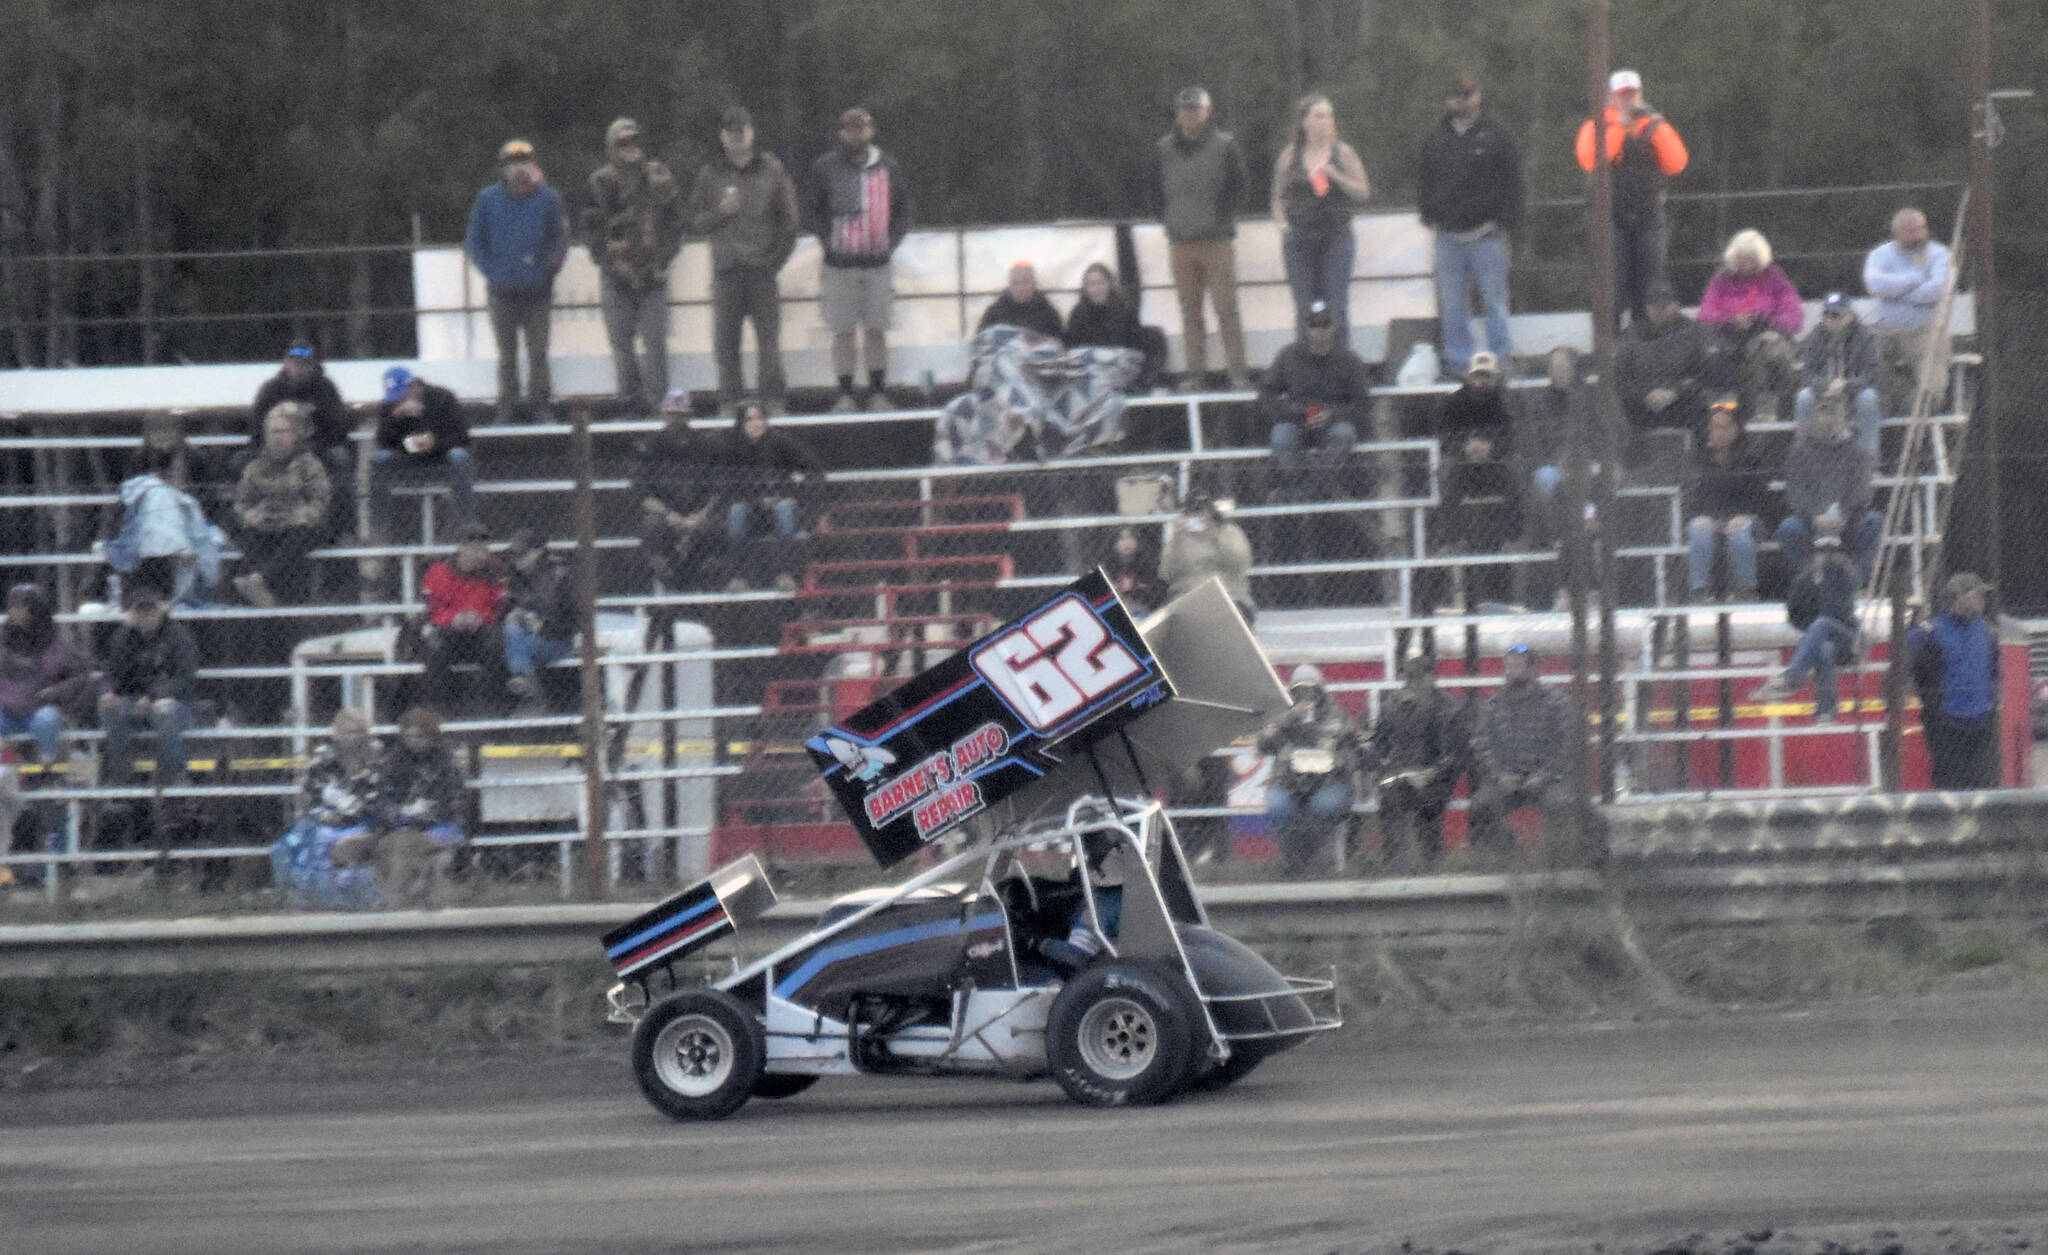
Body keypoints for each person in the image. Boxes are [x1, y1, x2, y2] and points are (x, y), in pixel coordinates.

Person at [688, 106, 800, 414]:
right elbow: (694, 222)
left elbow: (790, 222)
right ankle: (730, 403)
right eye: (732, 130)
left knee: (769, 343)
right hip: (726, 271)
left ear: (752, 132)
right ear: (723, 136)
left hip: (762, 271)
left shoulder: (772, 170)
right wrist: (719, 213)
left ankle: (773, 402)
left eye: (743, 129)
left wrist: (774, 261)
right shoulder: (710, 173)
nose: (738, 136)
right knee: (726, 345)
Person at [580, 118, 686, 417]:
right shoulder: (599, 182)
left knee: (655, 346)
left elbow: (677, 223)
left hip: (654, 276)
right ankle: (630, 404)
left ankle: (658, 407)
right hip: (616, 278)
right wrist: (608, 261)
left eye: (634, 140)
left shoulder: (660, 177)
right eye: (622, 142)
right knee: (621, 347)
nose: (630, 148)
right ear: (612, 146)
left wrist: (664, 258)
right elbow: (589, 230)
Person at [1419, 72, 1524, 374]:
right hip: (1448, 237)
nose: (1462, 101)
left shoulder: (1497, 134)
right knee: (1452, 306)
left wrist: (1506, 221)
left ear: (1477, 96)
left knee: (1495, 303)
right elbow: (1425, 179)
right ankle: (1458, 361)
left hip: (1487, 235)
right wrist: (1429, 215)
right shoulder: (1436, 137)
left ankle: (1499, 360)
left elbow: (1514, 180)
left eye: (1467, 95)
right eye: (1456, 95)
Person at [806, 107, 909, 412]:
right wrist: (829, 243)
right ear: (842, 133)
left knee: (877, 329)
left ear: (871, 130)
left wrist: (890, 244)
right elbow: (811, 211)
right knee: (843, 332)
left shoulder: (889, 166)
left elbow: (904, 210)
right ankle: (845, 394)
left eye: (861, 128)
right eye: (850, 129)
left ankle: (878, 391)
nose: (856, 134)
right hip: (840, 265)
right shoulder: (825, 168)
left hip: (877, 263)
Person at [1153, 86, 1252, 390]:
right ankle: (1195, 374)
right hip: (1180, 241)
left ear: (1207, 112)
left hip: (1216, 241)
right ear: (1178, 113)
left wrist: (1223, 219)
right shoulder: (1164, 148)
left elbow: (1241, 186)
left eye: (1196, 109)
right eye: (1185, 109)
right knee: (1189, 311)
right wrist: (1168, 220)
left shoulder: (1225, 145)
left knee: (1226, 309)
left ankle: (1238, 373)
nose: (1190, 114)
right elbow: (1152, 188)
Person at [464, 138, 567, 425]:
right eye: (513, 164)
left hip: (538, 292)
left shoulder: (548, 198)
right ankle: (507, 405)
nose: (520, 170)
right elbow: (474, 243)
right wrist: (492, 272)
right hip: (501, 292)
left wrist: (548, 271)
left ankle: (540, 405)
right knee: (506, 354)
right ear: (503, 169)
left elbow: (560, 239)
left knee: (538, 352)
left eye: (525, 163)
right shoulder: (487, 199)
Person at [1575, 69, 1688, 329]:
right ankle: (1609, 349)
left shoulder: (1654, 125)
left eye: (1632, 95)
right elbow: (1593, 160)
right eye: (1622, 95)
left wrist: (1655, 127)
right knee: (1609, 289)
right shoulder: (1596, 126)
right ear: (1611, 98)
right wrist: (1620, 127)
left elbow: (1676, 164)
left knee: (1650, 288)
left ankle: (1645, 348)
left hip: (1648, 217)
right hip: (1607, 218)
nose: (1628, 100)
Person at [332, 706, 467, 906]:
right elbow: (383, 800)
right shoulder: (393, 762)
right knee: (353, 848)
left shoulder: (444, 764)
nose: (414, 742)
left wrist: (425, 813)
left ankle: (396, 902)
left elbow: (451, 803)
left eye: (420, 737)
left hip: (437, 828)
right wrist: (395, 812)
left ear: (431, 737)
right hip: (397, 827)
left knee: (402, 847)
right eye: (409, 737)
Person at [1270, 92, 1370, 345]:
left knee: (1336, 304)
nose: (1325, 121)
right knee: (1305, 307)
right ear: (1304, 121)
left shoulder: (1343, 153)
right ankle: (1306, 367)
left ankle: (1340, 363)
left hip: (1336, 237)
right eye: (1319, 116)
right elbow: (1277, 197)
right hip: (1299, 240)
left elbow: (1363, 191)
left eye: (1329, 116)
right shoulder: (1289, 156)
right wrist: (1283, 226)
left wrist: (1336, 176)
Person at [1468, 643, 1578, 860]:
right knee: (1481, 806)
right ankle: (1507, 857)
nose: (1511, 671)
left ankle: (1557, 864)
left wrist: (1545, 775)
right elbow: (1481, 744)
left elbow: (1567, 745)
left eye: (1517, 666)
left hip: (1548, 779)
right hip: (1506, 778)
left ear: (1533, 669)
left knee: (1560, 805)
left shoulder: (1557, 703)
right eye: (1507, 666)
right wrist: (1500, 775)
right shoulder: (1493, 704)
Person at [1256, 665, 1364, 877]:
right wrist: (1289, 719)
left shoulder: (1337, 715)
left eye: (1311, 690)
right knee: (1278, 806)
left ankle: (1304, 863)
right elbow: (1262, 744)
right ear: (1292, 692)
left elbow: (1354, 747)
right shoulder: (1283, 716)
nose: (1306, 695)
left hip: (1330, 783)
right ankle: (1296, 863)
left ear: (1320, 691)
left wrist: (1337, 760)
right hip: (1288, 783)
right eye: (1300, 691)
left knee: (1323, 806)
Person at [271, 709, 383, 909]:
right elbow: (309, 798)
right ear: (336, 734)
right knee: (284, 847)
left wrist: (348, 815)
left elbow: (375, 802)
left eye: (357, 732)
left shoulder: (375, 760)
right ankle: (297, 903)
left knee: (335, 846)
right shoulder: (322, 759)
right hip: (321, 821)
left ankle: (345, 904)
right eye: (347, 732)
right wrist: (324, 816)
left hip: (360, 824)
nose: (352, 737)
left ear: (365, 734)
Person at [1258, 301, 1372, 489]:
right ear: (1306, 327)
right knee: (1281, 437)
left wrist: (1332, 415)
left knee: (1344, 434)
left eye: (1325, 324)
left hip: (1334, 424)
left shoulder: (1349, 359)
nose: (1319, 330)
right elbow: (1266, 393)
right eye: (1313, 325)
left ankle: (1310, 490)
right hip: (1296, 421)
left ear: (1333, 326)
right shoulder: (1288, 355)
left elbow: (1363, 403)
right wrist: (1292, 412)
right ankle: (1304, 487)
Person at [247, 341, 356, 537]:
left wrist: (312, 446)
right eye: (296, 364)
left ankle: (345, 530)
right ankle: (243, 524)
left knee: (340, 458)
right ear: (286, 364)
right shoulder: (271, 390)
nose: (300, 370)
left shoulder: (326, 389)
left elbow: (339, 428)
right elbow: (256, 429)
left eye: (305, 365)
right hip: (275, 453)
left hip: (318, 451)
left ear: (313, 365)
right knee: (240, 461)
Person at [1367, 653, 1464, 871]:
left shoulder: (1447, 707)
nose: (1412, 683)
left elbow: (1455, 752)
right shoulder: (1391, 706)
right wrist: (1386, 770)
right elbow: (1378, 745)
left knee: (1427, 801)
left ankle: (1431, 863)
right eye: (1409, 678)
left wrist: (1433, 773)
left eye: (1417, 677)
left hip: (1438, 775)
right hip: (1401, 773)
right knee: (1390, 797)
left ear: (1431, 678)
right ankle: (1394, 863)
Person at [1435, 352, 1518, 607]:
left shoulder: (1507, 403)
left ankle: (1516, 535)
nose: (1481, 382)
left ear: (1495, 378)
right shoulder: (1452, 403)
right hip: (1464, 469)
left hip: (1496, 468)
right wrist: (1465, 448)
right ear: (1469, 376)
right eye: (1477, 376)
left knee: (1517, 470)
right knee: (1447, 470)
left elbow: (1515, 437)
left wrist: (1490, 449)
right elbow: (1443, 439)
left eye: (1487, 376)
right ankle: (1449, 539)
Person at [230, 403, 332, 607]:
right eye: (273, 432)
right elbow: (241, 503)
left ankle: (260, 580)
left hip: (299, 526)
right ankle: (263, 590)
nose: (278, 437)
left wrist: (298, 516)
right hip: (265, 526)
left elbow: (320, 501)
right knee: (245, 534)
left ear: (295, 434)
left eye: (284, 432)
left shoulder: (309, 465)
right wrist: (252, 515)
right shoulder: (254, 467)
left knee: (300, 535)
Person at [1751, 537, 1861, 723]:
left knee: (1822, 624)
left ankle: (1791, 678)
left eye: (1833, 551)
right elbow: (1794, 614)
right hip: (1822, 640)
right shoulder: (1804, 580)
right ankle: (1826, 711)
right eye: (1822, 551)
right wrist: (1813, 629)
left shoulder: (1848, 577)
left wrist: (1825, 579)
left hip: (1847, 639)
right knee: (1825, 649)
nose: (1828, 556)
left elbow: (1841, 612)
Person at [97, 584, 199, 783]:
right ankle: (122, 773)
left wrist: (153, 697)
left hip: (175, 705)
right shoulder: (122, 638)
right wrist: (108, 693)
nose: (146, 615)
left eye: (151, 609)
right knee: (110, 709)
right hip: (133, 703)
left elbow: (184, 680)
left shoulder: (178, 636)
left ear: (161, 609)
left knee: (164, 711)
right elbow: (111, 674)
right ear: (131, 613)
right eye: (140, 610)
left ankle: (174, 774)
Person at [1698, 228, 1803, 419]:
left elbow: (1794, 318)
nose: (1746, 263)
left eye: (1751, 258)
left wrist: (1765, 321)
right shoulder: (1721, 280)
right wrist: (1731, 320)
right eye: (1742, 258)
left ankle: (1768, 409)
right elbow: (1705, 315)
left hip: (1768, 343)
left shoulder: (1775, 278)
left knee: (1766, 344)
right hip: (1731, 342)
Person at [1909, 571, 2001, 789]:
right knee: (1950, 786)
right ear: (1959, 598)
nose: (1982, 602)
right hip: (1947, 724)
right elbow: (1909, 655)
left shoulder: (1985, 630)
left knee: (1985, 786)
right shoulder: (1931, 632)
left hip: (1982, 721)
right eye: (1977, 596)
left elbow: (1995, 669)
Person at [105, 442, 225, 608]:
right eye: (169, 473)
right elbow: (163, 545)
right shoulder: (154, 493)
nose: (176, 477)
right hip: (149, 573)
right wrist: (179, 549)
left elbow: (205, 548)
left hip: (186, 579)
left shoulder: (186, 502)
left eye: (178, 472)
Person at [720, 399, 822, 593]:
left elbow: (814, 470)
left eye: (759, 418)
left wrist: (795, 496)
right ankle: (738, 577)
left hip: (782, 506)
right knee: (736, 511)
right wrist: (756, 500)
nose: (756, 423)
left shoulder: (781, 443)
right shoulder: (732, 450)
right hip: (752, 510)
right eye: (749, 419)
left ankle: (786, 574)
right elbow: (728, 485)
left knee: (784, 509)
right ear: (740, 424)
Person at [368, 367, 475, 547]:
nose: (400, 400)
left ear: (414, 386)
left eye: (403, 394)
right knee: (380, 458)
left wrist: (434, 442)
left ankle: (465, 522)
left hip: (441, 456)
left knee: (460, 456)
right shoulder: (390, 406)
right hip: (408, 457)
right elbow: (382, 442)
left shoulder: (442, 398)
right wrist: (396, 419)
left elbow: (462, 436)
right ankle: (380, 528)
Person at [1777, 399, 1882, 583]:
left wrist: (1843, 514)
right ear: (1814, 418)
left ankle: (1854, 582)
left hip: (1849, 520)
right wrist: (1815, 516)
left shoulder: (1857, 451)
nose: (1828, 420)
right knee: (1788, 528)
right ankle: (1808, 582)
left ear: (1844, 419)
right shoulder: (1799, 451)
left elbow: (1861, 490)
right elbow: (1795, 491)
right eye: (1823, 414)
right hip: (1810, 521)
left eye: (1834, 414)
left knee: (1874, 522)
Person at [1863, 207, 1952, 414]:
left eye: (1922, 229)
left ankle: (1920, 407)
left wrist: (1897, 294)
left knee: (1932, 390)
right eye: (1912, 231)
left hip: (1925, 331)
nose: (1919, 234)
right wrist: (1914, 280)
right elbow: (1875, 285)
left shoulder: (1939, 254)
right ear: (1898, 232)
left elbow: (1938, 289)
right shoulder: (1880, 255)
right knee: (1868, 365)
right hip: (1884, 331)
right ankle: (1900, 400)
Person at [417, 522, 509, 715]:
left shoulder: (496, 571)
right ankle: (441, 711)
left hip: (482, 633)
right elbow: (431, 610)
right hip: (449, 633)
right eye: (476, 548)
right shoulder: (437, 572)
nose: (482, 555)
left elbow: (501, 608)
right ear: (461, 547)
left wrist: (479, 617)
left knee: (496, 640)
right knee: (434, 646)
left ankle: (493, 709)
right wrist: (454, 618)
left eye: (485, 548)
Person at [636, 390, 723, 592]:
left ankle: (701, 579)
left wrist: (701, 516)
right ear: (663, 415)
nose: (675, 419)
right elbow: (641, 492)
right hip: (664, 513)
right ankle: (665, 579)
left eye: (680, 414)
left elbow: (719, 488)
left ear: (689, 416)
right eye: (671, 414)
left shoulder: (707, 445)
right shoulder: (650, 446)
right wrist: (669, 514)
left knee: (716, 527)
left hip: (700, 512)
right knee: (651, 526)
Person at [1686, 396, 1770, 602]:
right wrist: (1711, 519)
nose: (1719, 432)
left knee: (1739, 533)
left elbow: (1759, 498)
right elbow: (1693, 497)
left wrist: (1740, 517)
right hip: (1709, 517)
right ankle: (1699, 592)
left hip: (1746, 518)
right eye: (1715, 427)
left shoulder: (1751, 459)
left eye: (1725, 427)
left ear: (1735, 429)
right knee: (1698, 529)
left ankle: (1747, 590)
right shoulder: (1698, 461)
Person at [0, 584, 93, 768]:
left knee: (47, 719)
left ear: (35, 609)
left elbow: (82, 675)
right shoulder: (3, 638)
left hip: (38, 711)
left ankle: (46, 768)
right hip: (6, 712)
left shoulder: (56, 641)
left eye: (21, 606)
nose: (14, 611)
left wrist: (58, 690)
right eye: (13, 606)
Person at [1793, 291, 1884, 459]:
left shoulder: (1865, 337)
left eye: (1837, 315)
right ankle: (1803, 458)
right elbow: (1806, 372)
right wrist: (1823, 385)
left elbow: (1872, 373)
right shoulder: (1815, 337)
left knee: (1869, 399)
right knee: (1803, 398)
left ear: (1849, 315)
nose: (1831, 319)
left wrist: (1847, 384)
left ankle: (1868, 460)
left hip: (1855, 393)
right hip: (1823, 393)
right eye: (1827, 314)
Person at [1615, 283, 1713, 433]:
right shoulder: (1631, 335)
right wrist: (1645, 394)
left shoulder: (1696, 334)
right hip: (1642, 407)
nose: (1659, 310)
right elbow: (1620, 377)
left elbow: (1706, 375)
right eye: (1654, 306)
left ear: (1677, 305)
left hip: (1684, 405)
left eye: (1665, 305)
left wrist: (1674, 392)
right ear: (1647, 308)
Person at [502, 528, 578, 709]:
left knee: (515, 641)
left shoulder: (560, 576)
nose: (516, 560)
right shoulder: (516, 577)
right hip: (524, 638)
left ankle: (525, 681)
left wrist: (542, 627)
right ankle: (523, 683)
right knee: (511, 630)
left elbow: (573, 621)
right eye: (513, 555)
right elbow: (507, 609)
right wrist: (515, 615)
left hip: (557, 640)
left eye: (521, 554)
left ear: (537, 551)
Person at [1064, 262, 1165, 390]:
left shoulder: (1123, 310)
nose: (1097, 288)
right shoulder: (1078, 315)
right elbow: (1074, 350)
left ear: (1109, 284)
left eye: (1101, 283)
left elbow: (1136, 344)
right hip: (1092, 374)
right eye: (1092, 284)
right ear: (1085, 288)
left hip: (1121, 370)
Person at [1158, 489, 1253, 621]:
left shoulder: (1230, 531)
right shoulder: (1178, 537)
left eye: (1203, 511)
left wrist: (1216, 537)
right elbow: (1167, 574)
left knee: (1233, 614)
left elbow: (1240, 565)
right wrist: (1176, 542)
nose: (1199, 516)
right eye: (1193, 512)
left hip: (1229, 596)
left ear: (1212, 513)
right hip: (1190, 597)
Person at [977, 261, 1063, 340]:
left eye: (1026, 282)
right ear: (1009, 285)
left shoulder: (1049, 314)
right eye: (1016, 283)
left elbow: (1060, 345)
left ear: (1033, 283)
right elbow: (981, 342)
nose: (1021, 288)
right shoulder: (994, 313)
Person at [1100, 525, 1167, 618]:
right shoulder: (1107, 568)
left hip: (1143, 614)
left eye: (1130, 537)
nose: (1126, 543)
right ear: (1115, 545)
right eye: (1121, 539)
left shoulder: (1148, 566)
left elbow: (1157, 594)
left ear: (1137, 542)